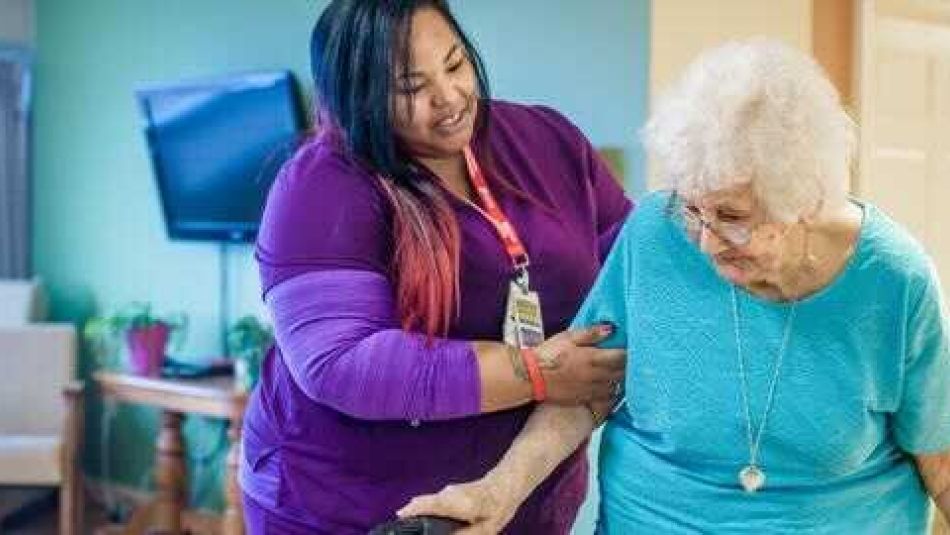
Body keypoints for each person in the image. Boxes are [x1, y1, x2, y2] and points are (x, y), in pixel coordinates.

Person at [399, 39, 950, 534]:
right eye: (692, 207)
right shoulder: (654, 234)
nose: (705, 242)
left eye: (732, 216)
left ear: (804, 199)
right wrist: (498, 494)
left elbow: (940, 462)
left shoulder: (893, 282)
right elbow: (587, 391)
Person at [238, 0, 631, 533]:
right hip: (343, 505)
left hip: (520, 497)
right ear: (359, 98)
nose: (448, 99)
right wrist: (537, 373)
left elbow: (630, 269)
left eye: (454, 64)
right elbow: (341, 361)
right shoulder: (319, 184)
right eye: (409, 88)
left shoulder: (547, 141)